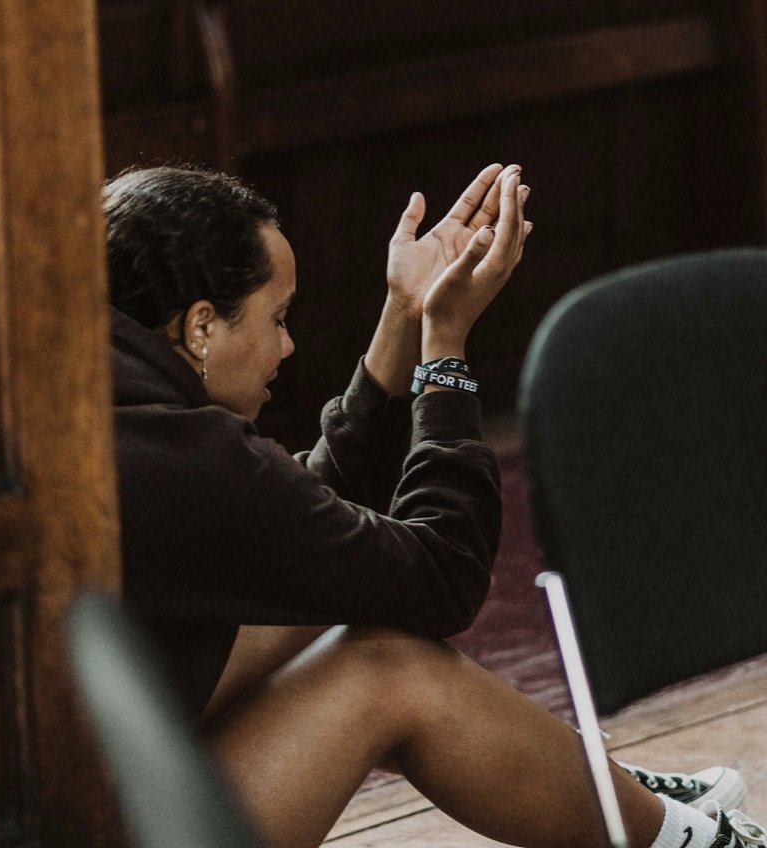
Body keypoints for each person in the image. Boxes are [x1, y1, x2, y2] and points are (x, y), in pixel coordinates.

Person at [104, 163, 761, 848]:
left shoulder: (101, 406)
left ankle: (599, 794)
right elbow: (441, 577)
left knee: (320, 604)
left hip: (76, 789)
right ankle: (684, 841)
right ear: (202, 326)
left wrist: (406, 315)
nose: (288, 345)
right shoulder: (182, 453)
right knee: (389, 667)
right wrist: (443, 349)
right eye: (278, 317)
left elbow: (306, 530)